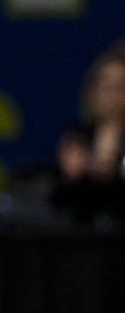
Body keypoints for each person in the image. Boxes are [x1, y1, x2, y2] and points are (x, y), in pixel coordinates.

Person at [49, 39, 125, 229]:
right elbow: (56, 202)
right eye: (105, 86)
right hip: (83, 240)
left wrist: (112, 176)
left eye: (120, 87)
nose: (112, 95)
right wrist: (71, 176)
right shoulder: (77, 136)